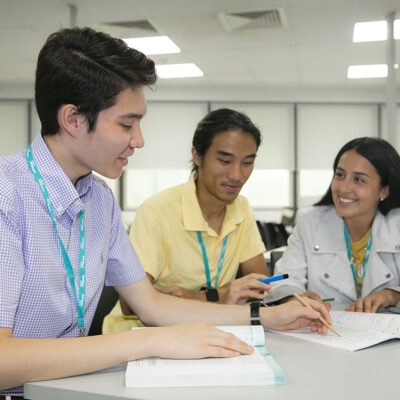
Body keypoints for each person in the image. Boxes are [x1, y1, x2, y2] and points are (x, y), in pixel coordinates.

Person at [0, 26, 331, 397]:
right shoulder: (7, 196)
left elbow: (151, 304)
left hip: (63, 388)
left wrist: (266, 316)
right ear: (73, 119)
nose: (139, 140)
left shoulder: (99, 199)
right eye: (126, 124)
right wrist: (151, 342)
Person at [103, 108, 270, 332]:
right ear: (197, 155)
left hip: (207, 331)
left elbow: (260, 285)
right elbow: (131, 304)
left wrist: (291, 299)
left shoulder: (242, 209)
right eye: (224, 161)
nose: (237, 175)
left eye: (247, 162)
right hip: (142, 336)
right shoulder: (157, 212)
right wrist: (217, 295)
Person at [265, 137, 400, 313]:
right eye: (340, 175)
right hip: (325, 332)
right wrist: (293, 298)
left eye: (358, 179)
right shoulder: (309, 222)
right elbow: (284, 279)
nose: (343, 188)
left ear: (384, 190)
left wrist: (393, 295)